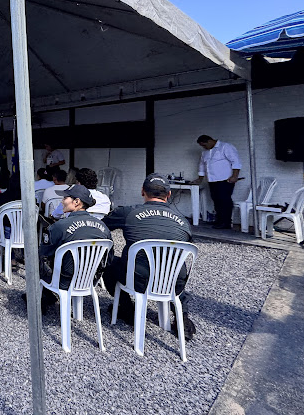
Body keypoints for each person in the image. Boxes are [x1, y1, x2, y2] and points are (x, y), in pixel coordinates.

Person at [102, 174, 196, 339]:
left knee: (108, 263)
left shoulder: (128, 212)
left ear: (142, 191)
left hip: (138, 279)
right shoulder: (183, 221)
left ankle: (127, 310)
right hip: (171, 282)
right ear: (168, 194)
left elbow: (102, 226)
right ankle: (182, 315)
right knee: (175, 267)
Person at [33, 184, 112, 311]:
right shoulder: (103, 228)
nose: (62, 201)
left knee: (36, 258)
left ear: (76, 202)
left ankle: (42, 297)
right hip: (89, 281)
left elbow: (43, 253)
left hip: (63, 280)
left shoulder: (60, 226)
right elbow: (108, 259)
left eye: (65, 198)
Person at [194, 134, 241, 229]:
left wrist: (235, 176)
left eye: (204, 145)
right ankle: (219, 220)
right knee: (216, 200)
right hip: (212, 180)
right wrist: (200, 178)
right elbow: (202, 166)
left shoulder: (225, 147)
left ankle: (226, 222)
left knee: (224, 201)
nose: (204, 147)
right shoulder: (205, 153)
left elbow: (236, 161)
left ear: (209, 141)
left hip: (225, 179)